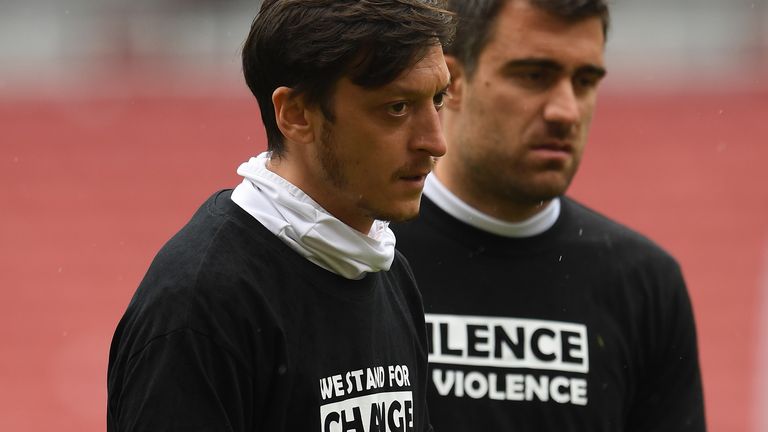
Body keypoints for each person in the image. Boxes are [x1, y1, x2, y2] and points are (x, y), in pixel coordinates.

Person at [107, 1, 454, 430]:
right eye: (397, 107)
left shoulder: (391, 273)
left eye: (438, 99)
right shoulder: (200, 304)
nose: (435, 142)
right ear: (295, 114)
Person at [391, 0, 707, 430]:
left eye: (585, 80)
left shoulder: (645, 283)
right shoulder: (369, 254)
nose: (566, 111)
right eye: (534, 75)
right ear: (453, 82)